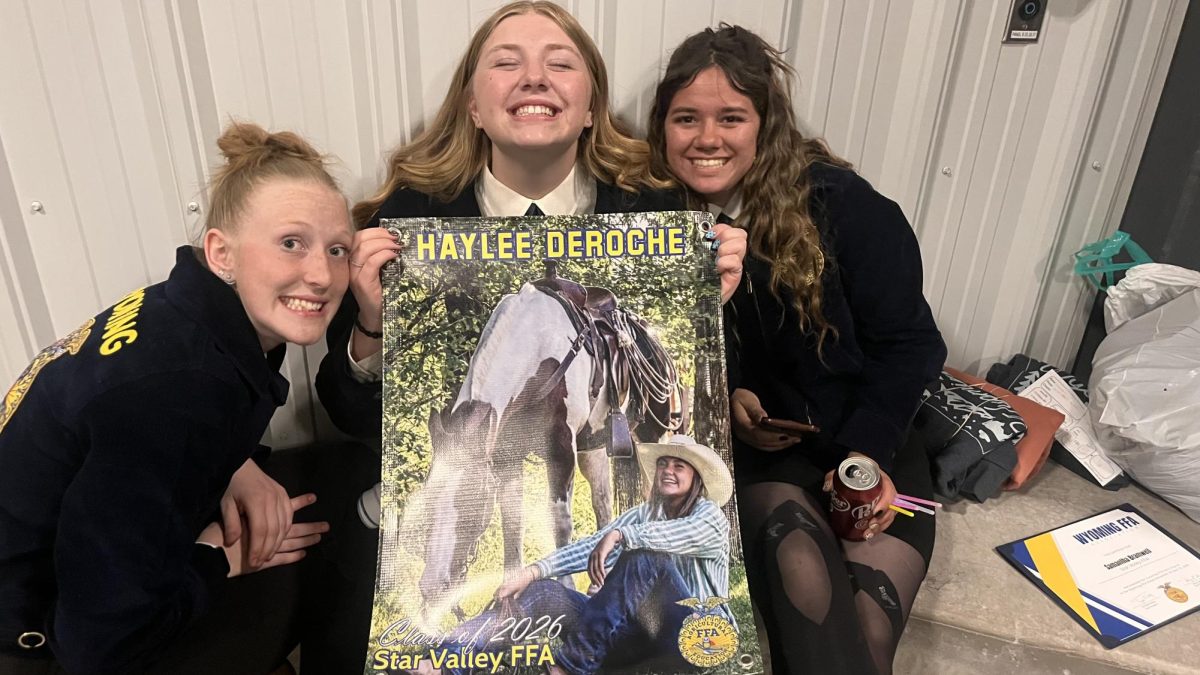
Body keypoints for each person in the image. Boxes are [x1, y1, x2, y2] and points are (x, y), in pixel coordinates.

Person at [306, 3, 746, 670]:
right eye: (507, 62)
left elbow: (697, 402)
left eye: (560, 63)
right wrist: (371, 321)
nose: (534, 77)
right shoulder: (409, 220)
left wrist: (708, 306)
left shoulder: (655, 215)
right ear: (474, 107)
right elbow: (349, 412)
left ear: (592, 104)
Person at [647, 25, 947, 675]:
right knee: (803, 580)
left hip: (874, 447)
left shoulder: (847, 208)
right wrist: (732, 399)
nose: (707, 138)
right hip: (761, 462)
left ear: (766, 123)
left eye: (731, 117)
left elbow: (911, 346)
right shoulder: (645, 223)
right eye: (686, 118)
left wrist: (864, 456)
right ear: (661, 126)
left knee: (864, 634)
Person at [0, 122, 350, 674]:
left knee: (314, 506)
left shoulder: (191, 313)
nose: (322, 274)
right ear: (222, 253)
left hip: (79, 553)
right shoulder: (173, 391)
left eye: (338, 250)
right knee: (326, 571)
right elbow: (98, 642)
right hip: (34, 630)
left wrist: (236, 466)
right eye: (292, 243)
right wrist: (218, 560)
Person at [414, 435, 733, 675]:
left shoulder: (710, 518)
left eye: (679, 466)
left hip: (698, 639)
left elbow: (667, 539)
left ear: (697, 479)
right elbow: (593, 545)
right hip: (637, 640)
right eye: (663, 463)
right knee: (545, 593)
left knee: (645, 557)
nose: (667, 470)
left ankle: (571, 667)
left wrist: (621, 535)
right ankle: (444, 662)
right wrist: (535, 570)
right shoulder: (644, 514)